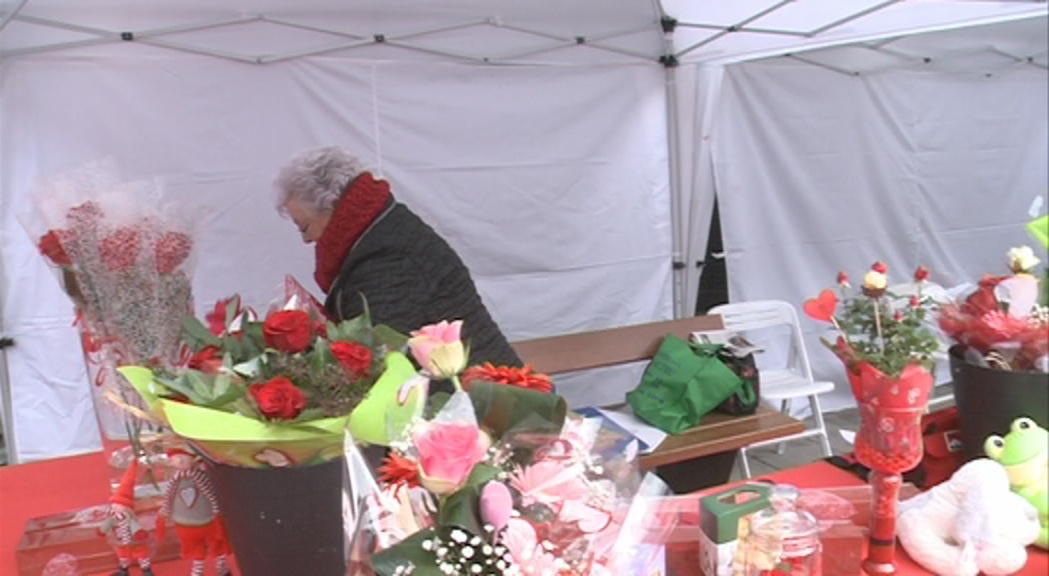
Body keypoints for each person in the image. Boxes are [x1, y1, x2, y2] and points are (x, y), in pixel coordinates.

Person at [274, 146, 521, 368]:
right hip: (475, 392)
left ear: (331, 207)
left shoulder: (388, 256)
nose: (306, 240)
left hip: (488, 405)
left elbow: (380, 356)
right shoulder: (378, 231)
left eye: (304, 227)